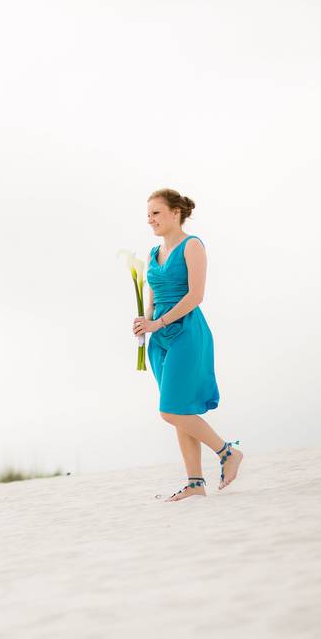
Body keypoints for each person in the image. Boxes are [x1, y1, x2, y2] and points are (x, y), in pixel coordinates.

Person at [132, 189, 243, 501]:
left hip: (186, 333)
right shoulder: (154, 254)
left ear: (175, 213)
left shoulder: (192, 246)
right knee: (179, 407)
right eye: (148, 213)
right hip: (159, 341)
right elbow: (153, 298)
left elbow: (195, 296)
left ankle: (227, 453)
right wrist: (145, 321)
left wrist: (159, 322)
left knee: (169, 411)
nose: (150, 219)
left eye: (156, 212)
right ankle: (195, 483)